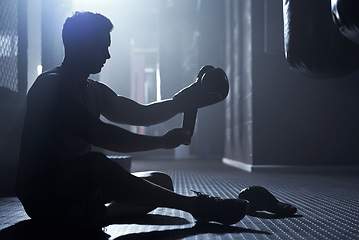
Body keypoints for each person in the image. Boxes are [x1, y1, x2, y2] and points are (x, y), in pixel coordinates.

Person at [16, 11, 296, 228]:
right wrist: (161, 142)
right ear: (81, 44)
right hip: (44, 194)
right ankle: (197, 206)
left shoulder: (93, 89)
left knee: (161, 182)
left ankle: (99, 215)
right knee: (95, 164)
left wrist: (180, 102)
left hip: (79, 190)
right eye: (102, 46)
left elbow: (140, 114)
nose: (108, 54)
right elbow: (101, 136)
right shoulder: (51, 85)